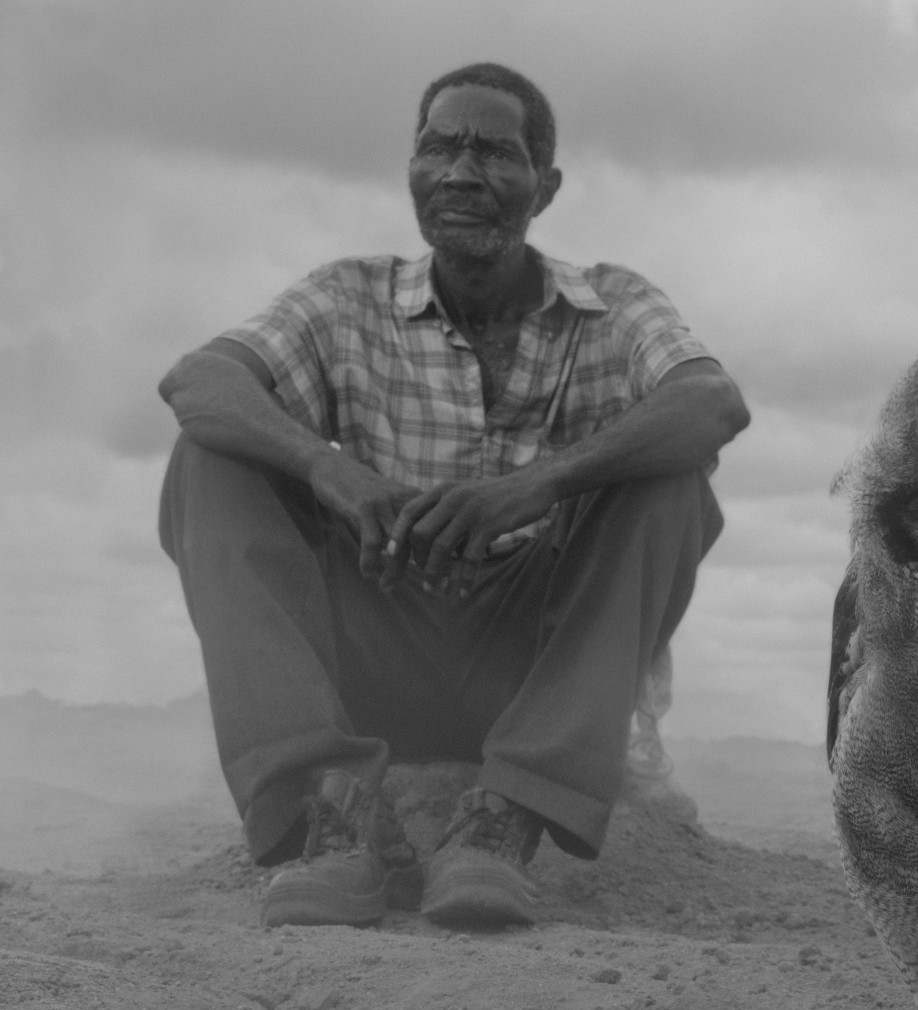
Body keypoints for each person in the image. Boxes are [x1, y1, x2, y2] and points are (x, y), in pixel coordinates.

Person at [157, 62, 749, 930]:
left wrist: (535, 486)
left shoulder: (613, 302)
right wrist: (326, 467)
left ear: (545, 187)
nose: (460, 173)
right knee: (209, 456)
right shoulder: (346, 295)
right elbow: (198, 380)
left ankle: (506, 816)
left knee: (672, 478)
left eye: (494, 154)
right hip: (377, 642)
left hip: (532, 664)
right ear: (412, 171)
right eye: (437, 149)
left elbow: (712, 403)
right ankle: (326, 814)